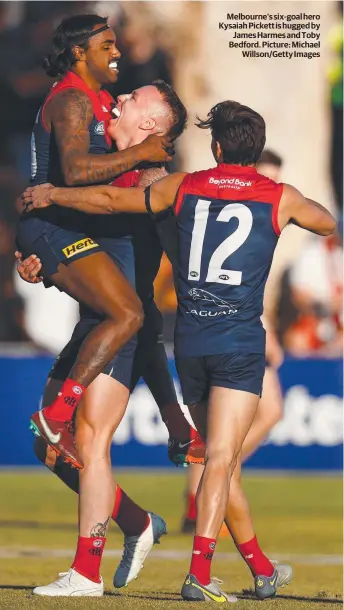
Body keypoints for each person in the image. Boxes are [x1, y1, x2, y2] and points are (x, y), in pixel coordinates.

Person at [23, 99, 336, 603]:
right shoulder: (279, 196)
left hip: (190, 341)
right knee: (220, 459)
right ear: (255, 151)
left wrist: (52, 192)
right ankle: (200, 574)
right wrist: (287, 205)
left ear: (215, 146)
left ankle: (260, 568)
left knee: (218, 460)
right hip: (238, 342)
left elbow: (107, 201)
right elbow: (325, 223)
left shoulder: (182, 186)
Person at [17, 81, 206, 597]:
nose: (119, 96)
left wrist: (174, 412)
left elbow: (143, 307)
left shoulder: (150, 176)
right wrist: (39, 264)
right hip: (95, 327)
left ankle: (86, 573)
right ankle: (138, 522)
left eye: (134, 98)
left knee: (92, 444)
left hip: (120, 332)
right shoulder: (102, 161)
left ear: (149, 125)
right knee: (50, 449)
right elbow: (74, 235)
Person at [16, 14, 174, 468]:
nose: (118, 52)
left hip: (61, 231)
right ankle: (57, 414)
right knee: (129, 313)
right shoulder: (71, 101)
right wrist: (143, 152)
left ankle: (138, 516)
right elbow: (76, 174)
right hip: (53, 229)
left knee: (135, 317)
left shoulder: (100, 100)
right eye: (107, 45)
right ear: (79, 53)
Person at [182, 149, 285, 535]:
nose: (271, 182)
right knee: (233, 435)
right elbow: (233, 277)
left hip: (234, 325)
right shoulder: (244, 206)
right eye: (268, 175)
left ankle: (214, 479)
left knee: (233, 433)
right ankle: (214, 483)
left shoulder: (261, 207)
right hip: (236, 328)